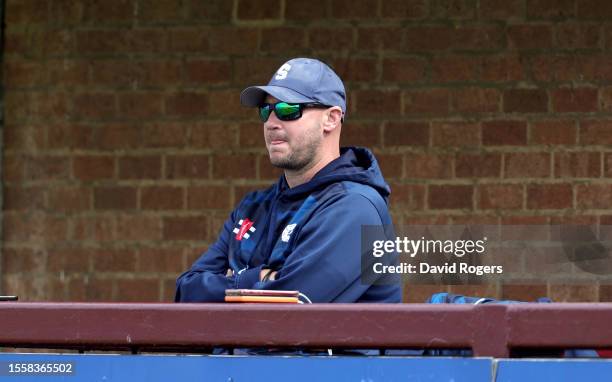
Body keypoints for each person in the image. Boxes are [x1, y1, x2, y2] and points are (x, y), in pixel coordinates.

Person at [175, 58, 400, 303]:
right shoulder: (254, 206)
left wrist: (229, 283)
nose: (271, 123)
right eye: (266, 110)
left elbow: (284, 313)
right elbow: (187, 291)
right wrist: (257, 280)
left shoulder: (355, 207)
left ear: (332, 118)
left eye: (287, 109)